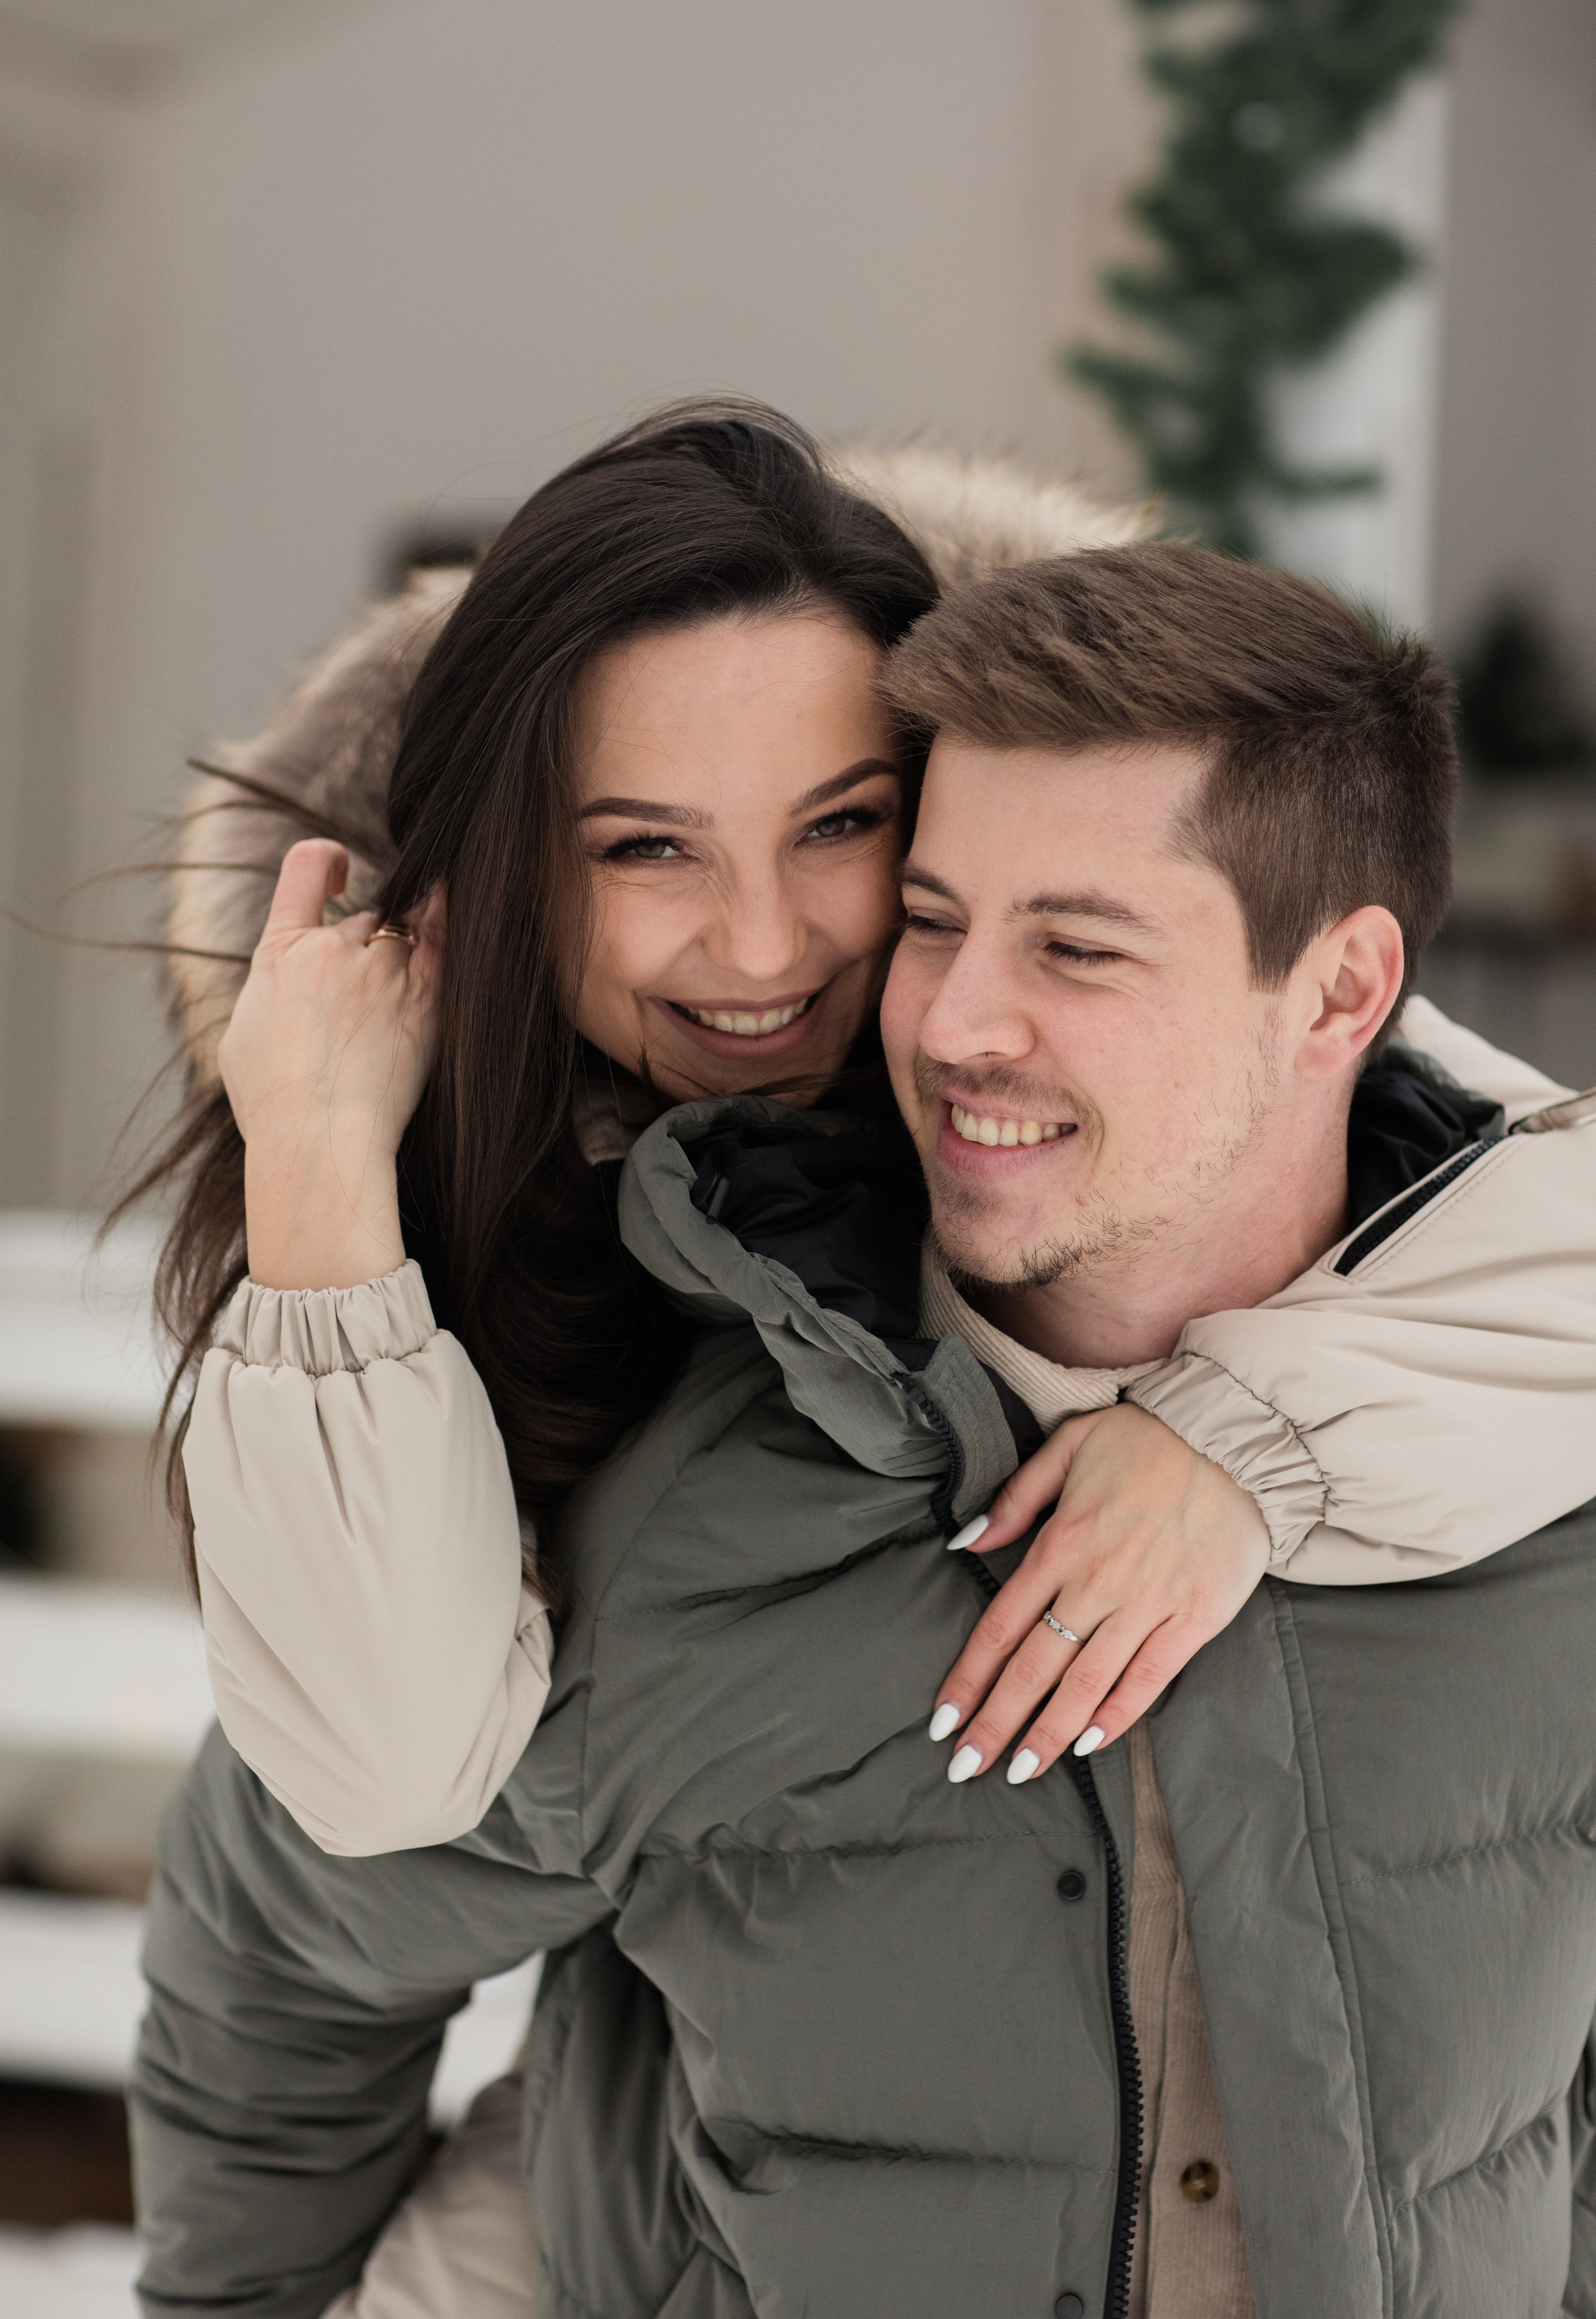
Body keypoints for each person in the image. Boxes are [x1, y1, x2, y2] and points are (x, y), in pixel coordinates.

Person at [132, 539, 1596, 2319]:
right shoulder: (690, 1518)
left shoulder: (1542, 1496)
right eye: (932, 918)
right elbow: (291, 1938)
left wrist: (1255, 1443)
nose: (959, 1023)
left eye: (1078, 945)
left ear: (1346, 995)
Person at [160, 406, 1580, 1865]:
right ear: (503, 870)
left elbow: (1553, 1204)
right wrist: (323, 1165)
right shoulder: (415, 1190)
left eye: (842, 827)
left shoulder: (1168, 1037)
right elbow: (368, 1809)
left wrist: (1235, 1441)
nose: (764, 948)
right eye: (646, 846)